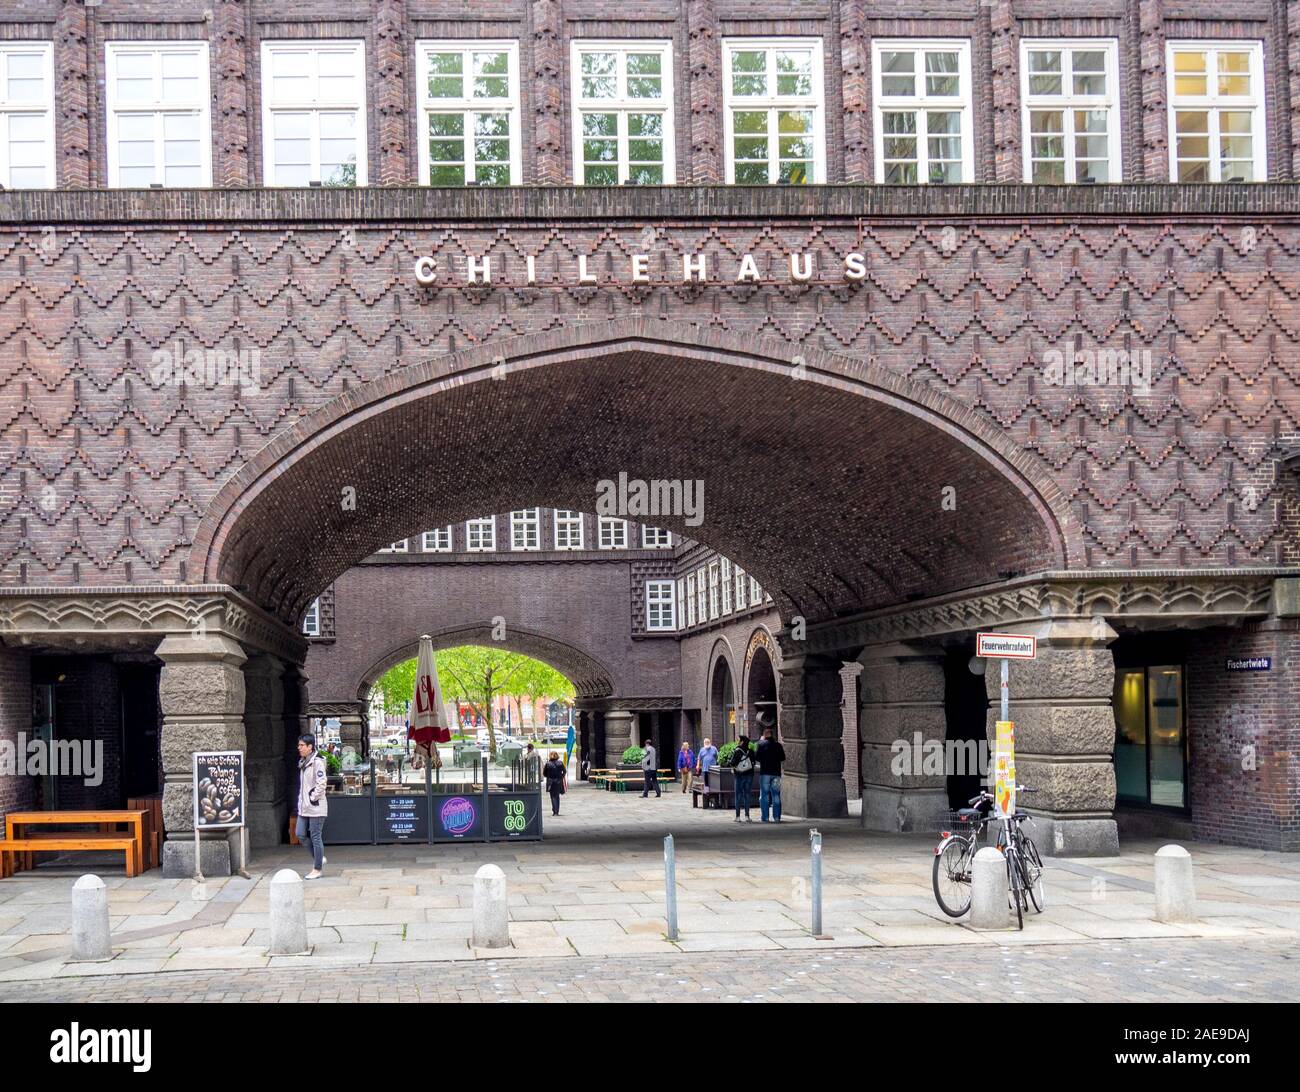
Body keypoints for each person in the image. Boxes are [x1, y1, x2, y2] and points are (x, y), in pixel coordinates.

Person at [296, 733, 328, 878]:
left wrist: (312, 797)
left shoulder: (318, 762)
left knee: (315, 836)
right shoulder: (303, 762)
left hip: (315, 806)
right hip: (304, 807)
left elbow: (321, 784)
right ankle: (318, 857)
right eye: (299, 745)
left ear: (310, 747)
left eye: (302, 745)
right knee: (300, 834)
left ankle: (317, 869)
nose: (299, 748)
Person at [756, 723, 786, 823]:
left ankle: (765, 817)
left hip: (765, 773)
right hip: (776, 773)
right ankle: (777, 817)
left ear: (764, 735)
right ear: (772, 735)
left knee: (764, 795)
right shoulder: (778, 745)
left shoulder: (761, 744)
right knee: (776, 795)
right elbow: (782, 758)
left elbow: (757, 758)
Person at [729, 734, 754, 822]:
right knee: (747, 795)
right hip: (749, 775)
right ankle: (747, 816)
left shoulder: (737, 751)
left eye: (739, 740)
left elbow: (732, 763)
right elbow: (753, 763)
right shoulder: (750, 751)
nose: (738, 742)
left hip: (739, 775)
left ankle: (738, 817)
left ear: (742, 742)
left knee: (738, 795)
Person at [543, 750, 566, 816]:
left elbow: (544, 773)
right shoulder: (560, 763)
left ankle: (554, 811)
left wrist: (549, 776)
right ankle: (557, 811)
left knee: (553, 796)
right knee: (557, 796)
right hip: (558, 781)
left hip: (551, 782)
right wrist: (561, 776)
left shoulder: (548, 764)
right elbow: (564, 771)